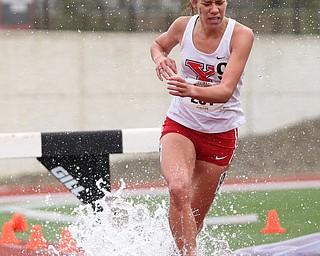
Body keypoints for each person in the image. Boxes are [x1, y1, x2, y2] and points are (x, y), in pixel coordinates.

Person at [150, 0, 254, 255]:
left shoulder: (241, 35)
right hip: (182, 123)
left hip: (220, 133)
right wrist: (160, 59)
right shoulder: (182, 27)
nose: (215, 10)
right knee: (177, 188)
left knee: (193, 220)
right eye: (207, 3)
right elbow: (158, 45)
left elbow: (225, 91)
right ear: (195, 4)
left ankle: (179, 249)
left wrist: (190, 89)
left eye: (220, 2)